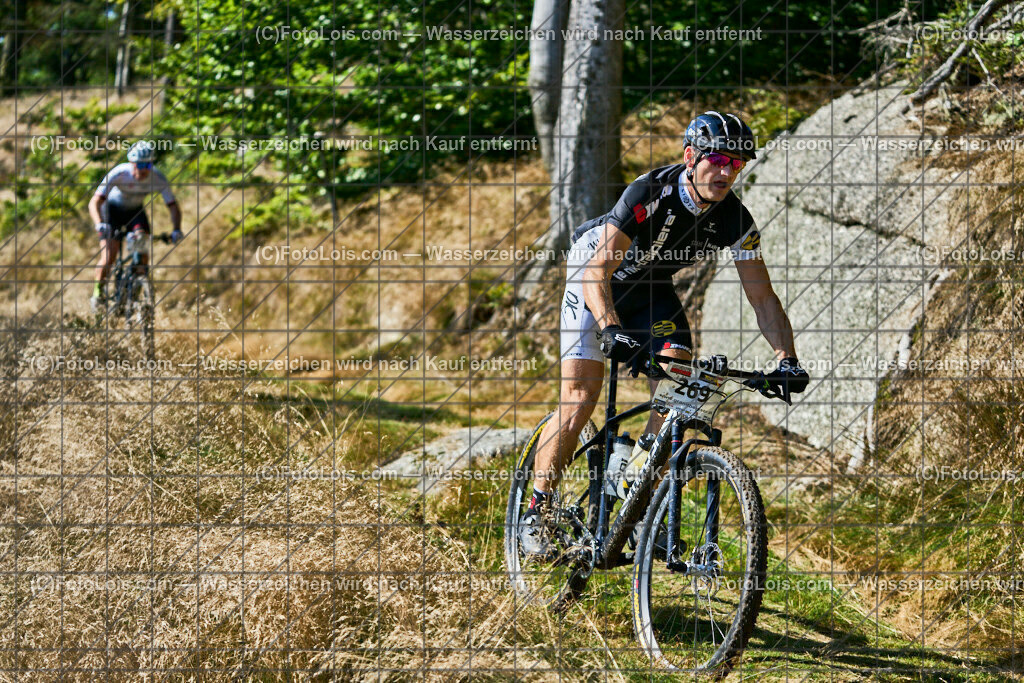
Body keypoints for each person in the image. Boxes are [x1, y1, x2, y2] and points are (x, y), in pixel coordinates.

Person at [520, 111, 810, 558]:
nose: (727, 170)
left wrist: (786, 359)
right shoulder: (650, 192)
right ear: (691, 156)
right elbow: (598, 268)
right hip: (597, 273)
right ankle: (538, 511)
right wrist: (611, 329)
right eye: (718, 158)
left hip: (652, 288)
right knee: (580, 397)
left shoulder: (735, 218)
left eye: (737, 162)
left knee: (678, 389)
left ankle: (633, 498)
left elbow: (763, 299)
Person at [88, 141, 182, 311]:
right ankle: (98, 294)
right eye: (140, 164)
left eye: (148, 164)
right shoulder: (119, 173)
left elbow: (173, 206)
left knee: (142, 255)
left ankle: (136, 297)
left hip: (134, 213)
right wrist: (99, 223)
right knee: (110, 256)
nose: (144, 168)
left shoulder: (157, 177)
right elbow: (95, 201)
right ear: (132, 163)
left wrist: (176, 229)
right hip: (111, 211)